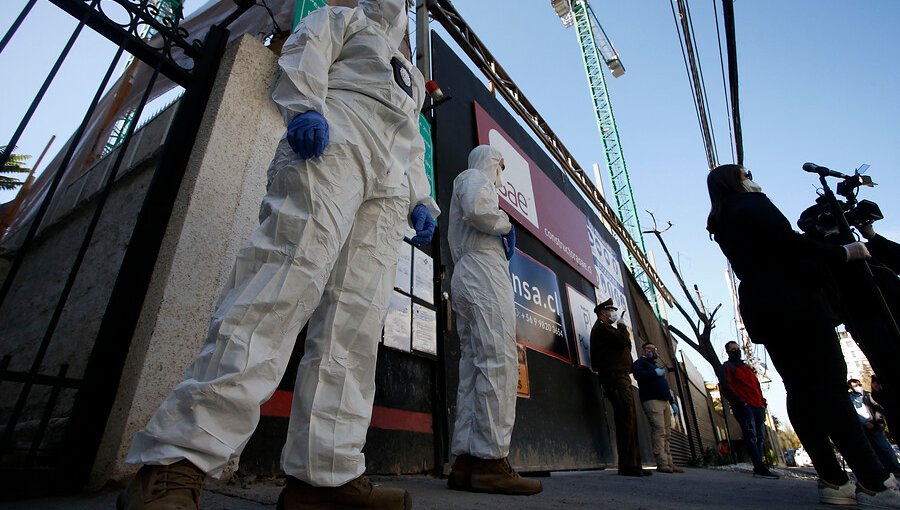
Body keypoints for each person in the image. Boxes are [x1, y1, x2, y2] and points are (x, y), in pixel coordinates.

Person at [118, 1, 439, 509]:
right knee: (283, 281)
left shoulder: (411, 74)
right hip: (338, 135)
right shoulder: (343, 20)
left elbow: (411, 140)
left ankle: (324, 476)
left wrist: (421, 196)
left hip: (389, 179)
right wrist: (306, 105)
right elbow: (305, 50)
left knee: (356, 322)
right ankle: (178, 459)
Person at [706, 164, 900, 507]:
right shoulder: (752, 204)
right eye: (746, 174)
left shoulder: (721, 220)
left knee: (801, 391)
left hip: (763, 308)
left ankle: (832, 479)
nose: (752, 177)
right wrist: (842, 251)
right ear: (736, 181)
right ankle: (874, 481)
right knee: (831, 387)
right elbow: (788, 244)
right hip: (795, 303)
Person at [445, 145, 541, 495]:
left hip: (467, 270)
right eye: (501, 164)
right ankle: (491, 460)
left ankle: (467, 460)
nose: (502, 171)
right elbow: (477, 209)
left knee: (474, 364)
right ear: (492, 162)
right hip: (483, 269)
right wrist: (505, 224)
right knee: (499, 360)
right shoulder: (475, 178)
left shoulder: (466, 180)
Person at [589, 298, 651, 477]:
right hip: (615, 379)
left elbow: (626, 344)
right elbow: (624, 340)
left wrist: (622, 330)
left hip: (621, 378)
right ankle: (628, 466)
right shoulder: (602, 329)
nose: (614, 313)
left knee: (629, 420)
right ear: (603, 312)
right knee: (626, 420)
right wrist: (623, 327)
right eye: (611, 310)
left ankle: (634, 464)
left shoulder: (608, 330)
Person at [719, 341, 778, 479]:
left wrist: (762, 403)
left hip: (758, 405)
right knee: (751, 436)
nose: (736, 351)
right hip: (745, 407)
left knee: (759, 437)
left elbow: (756, 386)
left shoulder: (747, 368)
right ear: (728, 351)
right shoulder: (727, 367)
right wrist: (740, 403)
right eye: (733, 349)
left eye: (737, 348)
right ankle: (759, 467)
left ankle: (761, 465)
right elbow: (726, 387)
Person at [632, 342, 683, 474]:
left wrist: (672, 402)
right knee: (659, 431)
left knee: (667, 433)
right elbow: (638, 375)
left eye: (654, 349)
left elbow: (664, 385)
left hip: (664, 400)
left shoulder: (654, 365)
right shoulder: (640, 363)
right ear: (643, 350)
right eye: (649, 349)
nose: (652, 351)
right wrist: (654, 373)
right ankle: (661, 462)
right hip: (652, 400)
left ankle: (669, 462)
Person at [849, 378, 900, 478]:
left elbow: (878, 409)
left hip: (874, 426)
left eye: (859, 384)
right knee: (874, 450)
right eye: (855, 386)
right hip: (862, 427)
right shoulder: (850, 399)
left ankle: (895, 468)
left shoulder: (868, 395)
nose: (858, 387)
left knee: (884, 448)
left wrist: (874, 422)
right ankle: (885, 470)